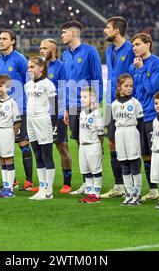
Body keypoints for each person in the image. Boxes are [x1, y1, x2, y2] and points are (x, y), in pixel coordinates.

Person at [60, 20, 103, 195]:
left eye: (64, 32)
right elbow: (63, 82)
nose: (61, 35)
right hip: (71, 106)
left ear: (73, 33)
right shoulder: (65, 54)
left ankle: (97, 182)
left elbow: (97, 77)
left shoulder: (90, 51)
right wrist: (64, 107)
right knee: (80, 144)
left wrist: (96, 103)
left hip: (88, 105)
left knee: (95, 143)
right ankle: (87, 182)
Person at [128, 33, 159, 201]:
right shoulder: (133, 67)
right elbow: (134, 93)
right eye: (133, 45)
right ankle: (153, 190)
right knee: (144, 154)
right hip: (139, 116)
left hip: (154, 116)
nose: (134, 48)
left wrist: (141, 70)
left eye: (137, 44)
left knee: (158, 152)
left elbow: (152, 89)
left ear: (148, 45)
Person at [0, 30, 34, 191]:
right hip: (3, 109)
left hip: (20, 108)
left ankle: (29, 181)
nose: (1, 41)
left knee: (23, 143)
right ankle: (11, 181)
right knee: (3, 145)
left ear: (12, 41)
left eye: (4, 39)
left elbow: (29, 83)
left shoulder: (19, 59)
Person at [101, 16, 135, 199]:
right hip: (109, 103)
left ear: (116, 30)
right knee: (112, 143)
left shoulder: (130, 49)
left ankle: (134, 186)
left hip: (126, 104)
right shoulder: (109, 50)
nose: (105, 31)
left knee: (129, 144)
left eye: (107, 28)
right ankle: (119, 185)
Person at [40, 38, 73, 193]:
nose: (41, 50)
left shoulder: (60, 67)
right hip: (40, 114)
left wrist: (64, 110)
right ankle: (44, 183)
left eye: (44, 48)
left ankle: (67, 182)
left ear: (52, 50)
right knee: (42, 148)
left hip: (56, 114)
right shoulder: (37, 67)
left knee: (62, 147)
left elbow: (64, 89)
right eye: (40, 48)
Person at [25, 57, 57, 200]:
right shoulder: (27, 85)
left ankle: (48, 190)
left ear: (41, 68)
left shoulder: (48, 84)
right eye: (28, 67)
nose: (29, 70)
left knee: (46, 155)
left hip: (43, 120)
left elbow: (54, 106)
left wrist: (54, 125)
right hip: (30, 120)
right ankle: (42, 188)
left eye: (32, 67)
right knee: (37, 155)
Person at [111, 74, 143, 206]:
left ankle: (137, 194)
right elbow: (113, 122)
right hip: (120, 134)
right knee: (123, 164)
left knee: (134, 164)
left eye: (131, 86)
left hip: (131, 132)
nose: (129, 88)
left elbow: (140, 123)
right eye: (126, 86)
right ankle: (128, 194)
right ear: (119, 87)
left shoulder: (135, 103)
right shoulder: (114, 105)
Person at [0, 75, 22, 198]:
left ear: (8, 87)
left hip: (6, 131)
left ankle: (10, 188)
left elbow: (18, 121)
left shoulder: (12, 102)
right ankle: (5, 187)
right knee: (1, 159)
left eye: (1, 86)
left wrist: (12, 135)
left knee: (8, 159)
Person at [78, 86, 104, 203]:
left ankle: (96, 194)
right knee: (86, 171)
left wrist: (101, 146)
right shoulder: (83, 112)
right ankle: (89, 193)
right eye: (81, 97)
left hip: (93, 144)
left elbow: (100, 132)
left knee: (95, 170)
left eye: (85, 97)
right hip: (83, 146)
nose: (82, 99)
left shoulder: (96, 113)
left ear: (93, 98)